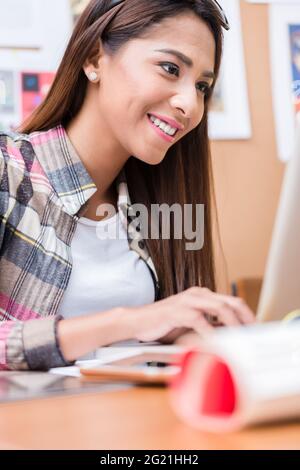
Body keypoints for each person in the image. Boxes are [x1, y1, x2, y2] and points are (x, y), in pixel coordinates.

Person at [0, 0, 255, 371]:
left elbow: (157, 335)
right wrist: (129, 320)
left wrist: (190, 336)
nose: (190, 104)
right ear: (93, 58)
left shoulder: (157, 202)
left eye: (202, 85)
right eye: (170, 68)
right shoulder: (10, 171)